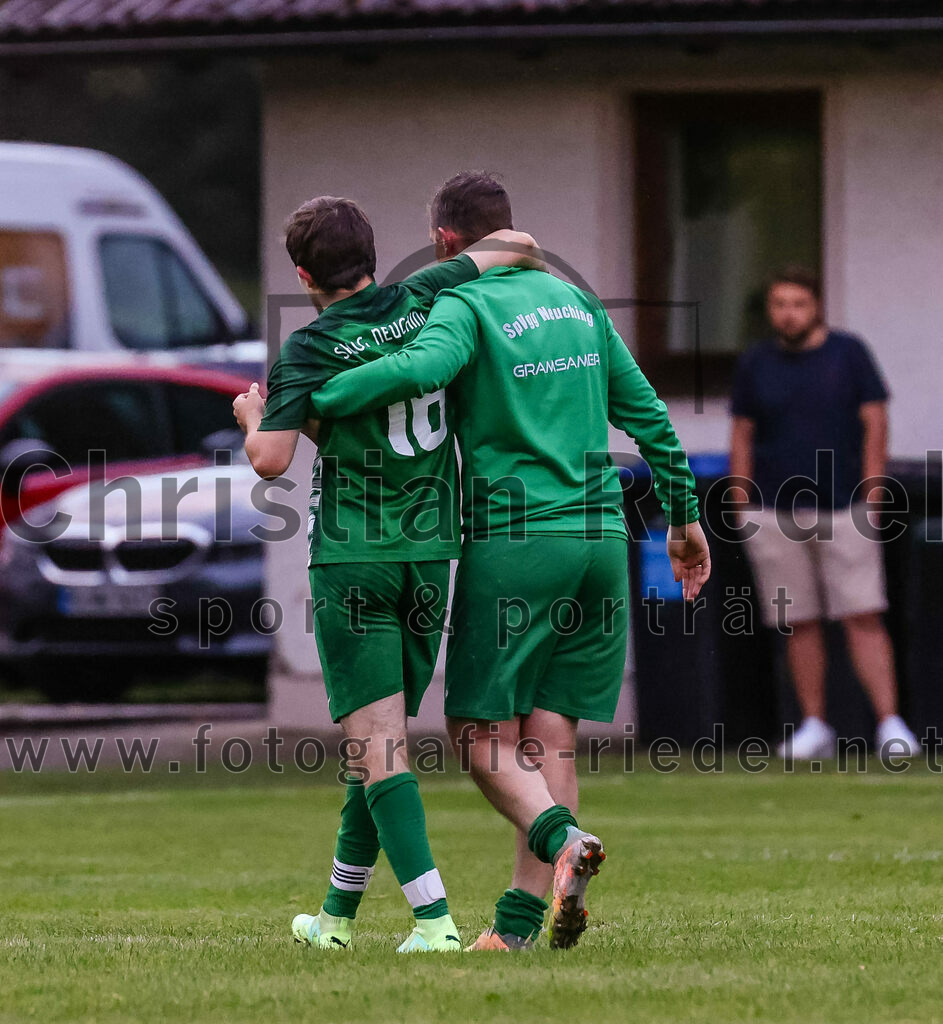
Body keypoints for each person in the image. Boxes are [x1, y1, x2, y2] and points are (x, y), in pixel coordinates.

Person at [309, 172, 711, 951]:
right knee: (549, 731)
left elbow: (419, 373)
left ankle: (562, 838)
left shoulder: (461, 304)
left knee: (477, 731)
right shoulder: (574, 301)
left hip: (520, 540)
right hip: (602, 540)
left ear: (446, 243)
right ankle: (520, 924)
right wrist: (685, 521)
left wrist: (310, 397)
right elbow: (650, 416)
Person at [233, 195, 538, 952]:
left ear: (303, 273)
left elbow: (270, 461)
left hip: (355, 557)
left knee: (377, 745)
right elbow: (519, 243)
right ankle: (334, 919)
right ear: (370, 255)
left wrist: (252, 418)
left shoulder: (307, 348)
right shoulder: (423, 295)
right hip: (431, 554)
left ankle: (432, 921)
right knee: (378, 744)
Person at [729, 266, 920, 760]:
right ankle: (815, 725)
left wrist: (873, 494)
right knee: (798, 621)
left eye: (797, 303)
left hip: (844, 507)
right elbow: (743, 432)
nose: (787, 314)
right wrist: (740, 497)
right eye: (778, 304)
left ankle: (889, 723)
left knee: (862, 613)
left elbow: (875, 422)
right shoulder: (756, 364)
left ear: (816, 306)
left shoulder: (848, 354)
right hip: (773, 510)